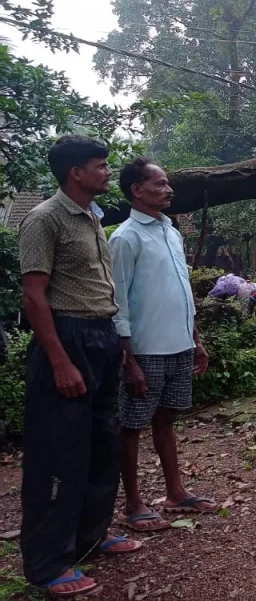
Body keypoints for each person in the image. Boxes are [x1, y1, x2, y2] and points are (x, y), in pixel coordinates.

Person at [18, 135, 142, 598]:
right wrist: (59, 361)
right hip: (66, 339)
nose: (109, 172)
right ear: (76, 173)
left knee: (100, 443)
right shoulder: (44, 219)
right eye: (101, 165)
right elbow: (34, 297)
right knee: (59, 451)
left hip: (101, 337)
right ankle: (49, 563)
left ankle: (91, 536)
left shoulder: (92, 216)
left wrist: (119, 347)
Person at [109, 159, 213, 534]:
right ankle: (133, 504)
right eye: (161, 184)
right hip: (146, 349)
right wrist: (128, 359)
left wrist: (196, 340)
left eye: (168, 184)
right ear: (137, 190)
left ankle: (175, 492)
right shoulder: (125, 238)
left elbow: (180, 291)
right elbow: (117, 302)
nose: (169, 190)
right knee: (131, 426)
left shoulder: (171, 231)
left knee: (167, 419)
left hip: (178, 344)